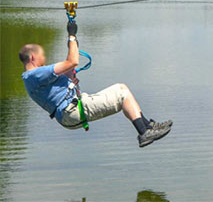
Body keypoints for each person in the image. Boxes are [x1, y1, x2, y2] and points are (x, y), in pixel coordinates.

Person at [20, 20, 172, 148]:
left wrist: (73, 43)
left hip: (69, 113)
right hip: (72, 111)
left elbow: (69, 67)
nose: (44, 58)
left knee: (122, 91)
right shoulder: (35, 74)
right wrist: (71, 36)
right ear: (33, 57)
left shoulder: (32, 79)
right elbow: (72, 61)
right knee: (122, 93)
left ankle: (148, 127)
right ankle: (144, 132)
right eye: (42, 55)